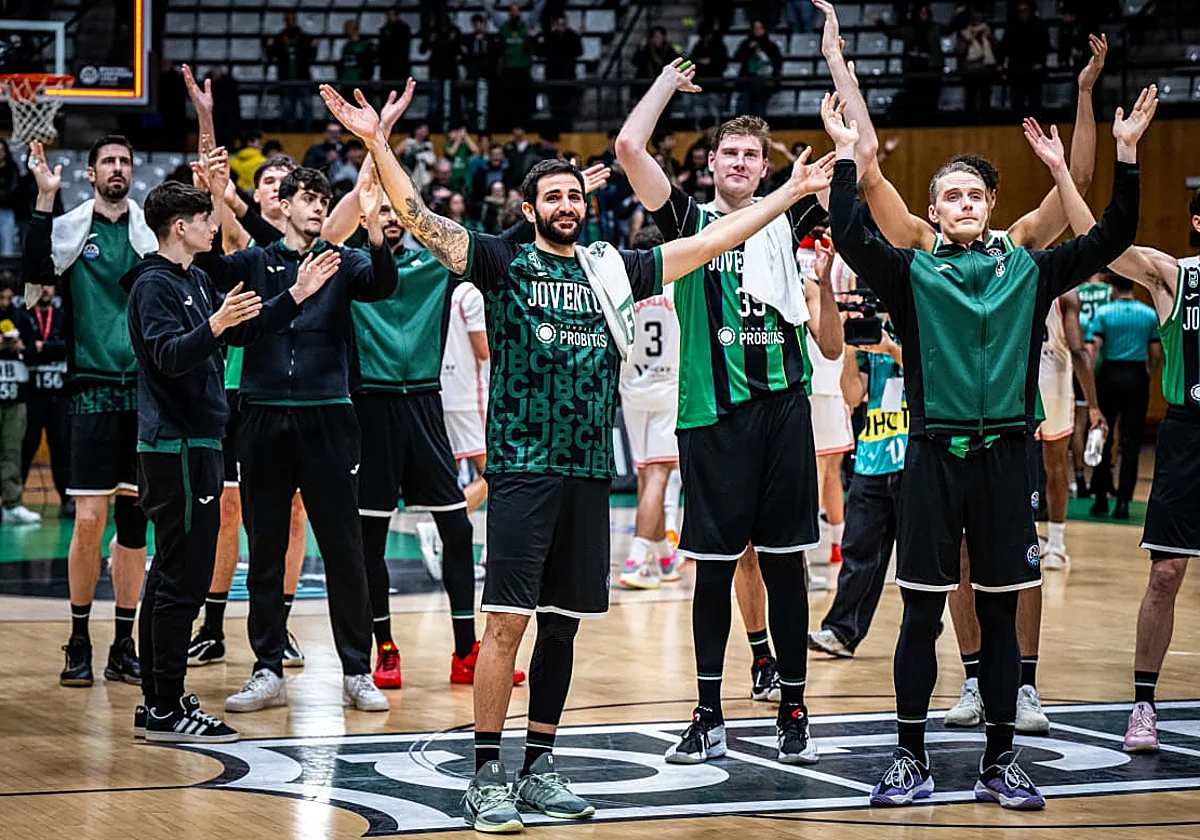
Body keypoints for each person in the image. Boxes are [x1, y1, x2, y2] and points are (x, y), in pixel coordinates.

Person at [319, 78, 834, 833]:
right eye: (551, 197)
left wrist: (789, 195)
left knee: (562, 625)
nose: (566, 205)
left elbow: (713, 240)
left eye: (573, 196)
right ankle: (486, 774)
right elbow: (420, 221)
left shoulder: (611, 268)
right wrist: (377, 143)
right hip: (525, 468)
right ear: (529, 211)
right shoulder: (499, 261)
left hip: (592, 471)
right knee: (506, 626)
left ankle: (540, 769)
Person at [823, 74, 1146, 810]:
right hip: (933, 459)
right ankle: (909, 758)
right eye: (952, 197)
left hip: (1006, 459)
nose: (965, 205)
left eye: (976, 195)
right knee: (921, 613)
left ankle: (1002, 760)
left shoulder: (1029, 270)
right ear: (933, 212)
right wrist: (847, 156)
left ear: (990, 209)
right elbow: (849, 230)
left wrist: (1124, 158)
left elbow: (1112, 236)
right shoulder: (910, 273)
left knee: (1001, 613)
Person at [616, 60, 842, 764]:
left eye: (754, 155)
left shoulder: (796, 210)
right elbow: (628, 149)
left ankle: (795, 709)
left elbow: (855, 167)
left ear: (767, 166)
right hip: (710, 416)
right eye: (731, 153)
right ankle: (709, 712)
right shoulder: (688, 220)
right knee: (713, 571)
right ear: (710, 163)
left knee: (784, 566)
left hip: (782, 412)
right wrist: (662, 86)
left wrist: (839, 97)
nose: (742, 162)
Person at [126, 180, 332, 743]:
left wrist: (296, 292)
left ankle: (159, 701)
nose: (213, 227)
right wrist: (213, 325)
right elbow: (169, 356)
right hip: (175, 448)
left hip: (199, 443)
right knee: (180, 579)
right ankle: (165, 706)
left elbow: (246, 327)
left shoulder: (192, 278)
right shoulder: (153, 286)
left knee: (176, 576)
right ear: (179, 227)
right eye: (204, 218)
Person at [194, 154, 397, 716]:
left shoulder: (342, 261)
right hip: (261, 416)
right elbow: (209, 265)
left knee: (344, 550)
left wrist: (377, 232)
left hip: (329, 416)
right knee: (265, 551)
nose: (318, 210)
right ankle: (266, 668)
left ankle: (357, 670)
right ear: (283, 205)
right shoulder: (255, 263)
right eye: (309, 199)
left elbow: (382, 285)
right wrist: (215, 195)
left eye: (324, 202)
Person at [322, 156, 524, 691]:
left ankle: (465, 651)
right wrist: (370, 156)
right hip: (372, 411)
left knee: (457, 530)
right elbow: (320, 237)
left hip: (426, 409)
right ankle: (384, 648)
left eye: (397, 210)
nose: (390, 217)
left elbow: (501, 242)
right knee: (372, 539)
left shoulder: (436, 265)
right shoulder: (348, 267)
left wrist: (537, 206)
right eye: (380, 209)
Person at [1052, 142, 1200, 753]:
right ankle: (1143, 703)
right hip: (1189, 435)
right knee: (1165, 572)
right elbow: (1104, 244)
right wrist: (1121, 154)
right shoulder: (1177, 275)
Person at [181, 71, 318, 669]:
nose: (273, 191)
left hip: (298, 389)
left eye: (283, 185)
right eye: (266, 182)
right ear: (260, 194)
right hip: (237, 386)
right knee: (228, 510)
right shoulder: (240, 234)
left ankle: (278, 626)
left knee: (292, 514)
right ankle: (212, 623)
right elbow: (212, 187)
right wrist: (207, 122)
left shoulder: (307, 244)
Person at [24, 137, 151, 688]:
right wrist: (44, 200)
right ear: (91, 174)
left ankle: (124, 642)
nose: (117, 169)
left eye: (124, 162)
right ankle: (78, 636)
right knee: (89, 524)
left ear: (132, 172)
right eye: (108, 163)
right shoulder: (74, 230)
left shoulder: (150, 232)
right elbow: (35, 270)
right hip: (92, 393)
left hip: (143, 396)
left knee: (133, 525)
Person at [809, 292, 906, 658]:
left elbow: (940, 368)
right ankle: (841, 632)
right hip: (873, 457)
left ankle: (925, 628)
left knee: (920, 560)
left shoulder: (923, 321)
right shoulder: (870, 336)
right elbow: (853, 395)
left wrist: (893, 349)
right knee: (858, 551)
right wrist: (852, 349)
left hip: (917, 459)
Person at [617, 226, 683, 590]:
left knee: (648, 475)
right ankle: (636, 559)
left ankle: (663, 556)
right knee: (658, 476)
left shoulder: (624, 292)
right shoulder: (676, 286)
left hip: (633, 390)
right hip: (668, 388)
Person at [1088, 273, 1161, 519]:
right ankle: (1123, 502)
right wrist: (1147, 373)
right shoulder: (1149, 314)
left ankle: (1099, 498)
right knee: (1131, 443)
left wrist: (1094, 379)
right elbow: (1156, 352)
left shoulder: (1104, 313)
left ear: (1112, 288)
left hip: (1109, 375)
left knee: (1103, 436)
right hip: (1136, 376)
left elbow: (1094, 350)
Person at [22, 283, 71, 518]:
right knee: (26, 446)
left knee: (62, 448)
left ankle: (67, 499)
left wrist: (44, 348)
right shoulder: (24, 316)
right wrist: (37, 349)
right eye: (39, 286)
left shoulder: (63, 315)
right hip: (32, 396)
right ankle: (13, 502)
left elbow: (69, 347)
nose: (44, 290)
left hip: (59, 396)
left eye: (49, 285)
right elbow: (22, 349)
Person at [0, 278, 38, 523]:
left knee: (12, 452)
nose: (4, 303)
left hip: (16, 397)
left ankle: (12, 503)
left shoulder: (21, 318)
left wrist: (21, 347)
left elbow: (35, 352)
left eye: (7, 297)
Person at [264, 11, 317, 131]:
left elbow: (311, 56)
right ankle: (289, 132)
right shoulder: (279, 38)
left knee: (307, 106)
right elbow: (271, 56)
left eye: (293, 19)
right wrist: (269, 47)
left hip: (303, 77)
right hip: (285, 78)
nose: (291, 21)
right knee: (287, 108)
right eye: (288, 19)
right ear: (285, 21)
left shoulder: (304, 37)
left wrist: (314, 47)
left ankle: (308, 132)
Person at [1001, 1, 1049, 115]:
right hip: (1016, 68)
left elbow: (1044, 45)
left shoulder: (1039, 25)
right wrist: (1002, 62)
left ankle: (1036, 123)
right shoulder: (1012, 26)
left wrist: (1040, 62)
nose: (1023, 14)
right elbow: (1005, 46)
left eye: (1025, 10)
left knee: (1035, 100)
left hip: (1034, 69)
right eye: (1020, 11)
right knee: (1017, 99)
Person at [537, 14, 583, 130]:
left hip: (568, 78)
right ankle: (555, 129)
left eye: (563, 24)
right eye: (559, 24)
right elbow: (540, 52)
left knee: (567, 108)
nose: (561, 27)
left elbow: (579, 52)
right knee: (554, 108)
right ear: (555, 25)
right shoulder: (549, 37)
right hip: (553, 79)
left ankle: (568, 129)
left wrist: (578, 37)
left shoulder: (572, 36)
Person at [732, 20, 784, 117]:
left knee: (759, 113)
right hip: (747, 82)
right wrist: (749, 48)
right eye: (755, 28)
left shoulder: (771, 46)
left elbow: (777, 63)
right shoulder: (746, 44)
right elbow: (737, 57)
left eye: (760, 28)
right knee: (742, 109)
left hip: (764, 83)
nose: (757, 31)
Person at [337, 19, 377, 88]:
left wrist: (364, 78)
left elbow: (369, 65)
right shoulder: (346, 46)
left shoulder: (366, 45)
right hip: (346, 82)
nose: (345, 29)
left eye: (348, 27)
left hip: (359, 83)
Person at [379, 6, 413, 83]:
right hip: (386, 66)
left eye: (392, 15)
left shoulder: (403, 29)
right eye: (388, 15)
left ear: (397, 16)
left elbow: (403, 47)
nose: (390, 17)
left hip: (399, 66)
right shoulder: (384, 29)